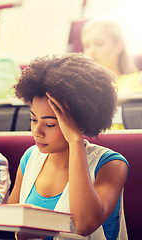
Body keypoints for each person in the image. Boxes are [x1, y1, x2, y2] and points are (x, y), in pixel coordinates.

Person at [7, 53, 129, 239]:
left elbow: (84, 224)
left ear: (79, 121)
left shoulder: (111, 164)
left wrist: (75, 141)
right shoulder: (30, 158)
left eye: (50, 124)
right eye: (33, 119)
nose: (37, 131)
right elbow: (9, 222)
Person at [81, 20, 142, 95]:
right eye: (87, 46)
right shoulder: (84, 88)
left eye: (99, 44)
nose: (91, 51)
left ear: (119, 47)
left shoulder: (137, 82)